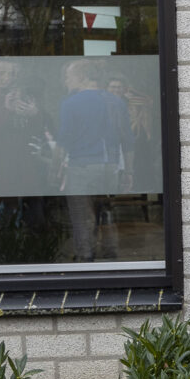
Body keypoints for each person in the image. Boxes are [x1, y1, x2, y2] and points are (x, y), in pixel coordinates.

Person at [58, 58, 132, 261]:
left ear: (81, 77)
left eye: (68, 76)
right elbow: (127, 141)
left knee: (82, 216)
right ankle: (109, 253)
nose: (65, 80)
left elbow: (63, 142)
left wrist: (55, 169)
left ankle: (86, 257)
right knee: (105, 211)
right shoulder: (115, 101)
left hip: (81, 166)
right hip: (110, 167)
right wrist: (128, 171)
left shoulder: (70, 103)